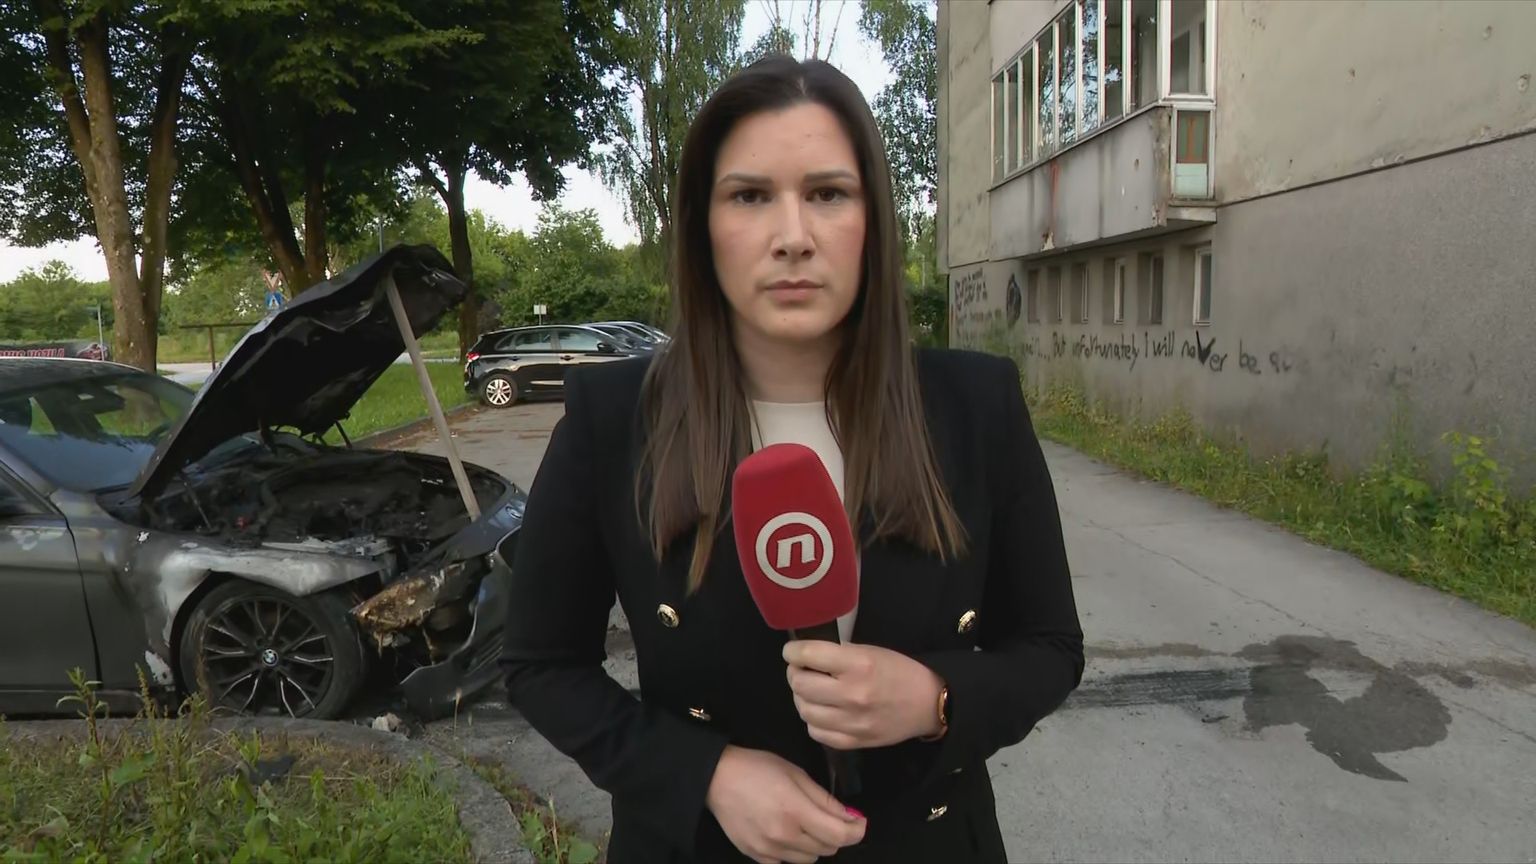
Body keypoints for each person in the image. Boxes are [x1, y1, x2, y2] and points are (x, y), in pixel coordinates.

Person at [501, 54, 1084, 864]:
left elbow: (1051, 647)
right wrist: (704, 774)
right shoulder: (614, 418)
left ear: (873, 220)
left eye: (827, 193)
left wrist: (938, 697)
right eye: (749, 196)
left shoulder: (977, 405)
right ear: (703, 227)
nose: (793, 238)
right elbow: (540, 664)